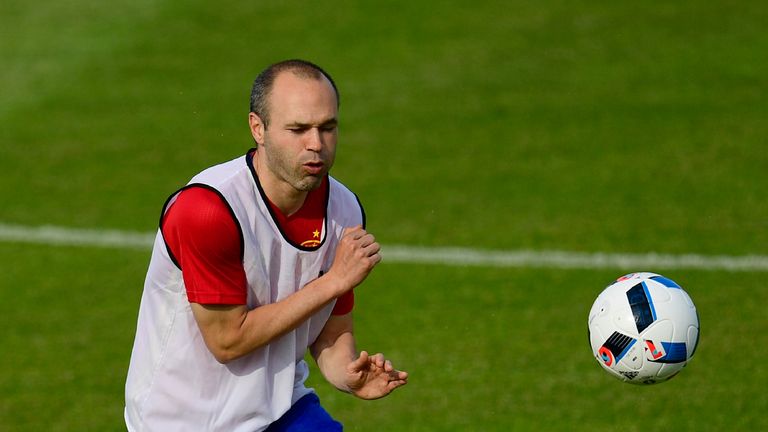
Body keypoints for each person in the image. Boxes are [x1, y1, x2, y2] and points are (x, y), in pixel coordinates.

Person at [124, 59, 408, 431]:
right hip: (185, 420)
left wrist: (347, 375)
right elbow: (228, 340)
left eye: (328, 127)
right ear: (258, 128)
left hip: (280, 409)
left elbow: (331, 330)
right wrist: (333, 281)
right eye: (298, 129)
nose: (316, 145)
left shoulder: (343, 210)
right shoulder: (208, 210)